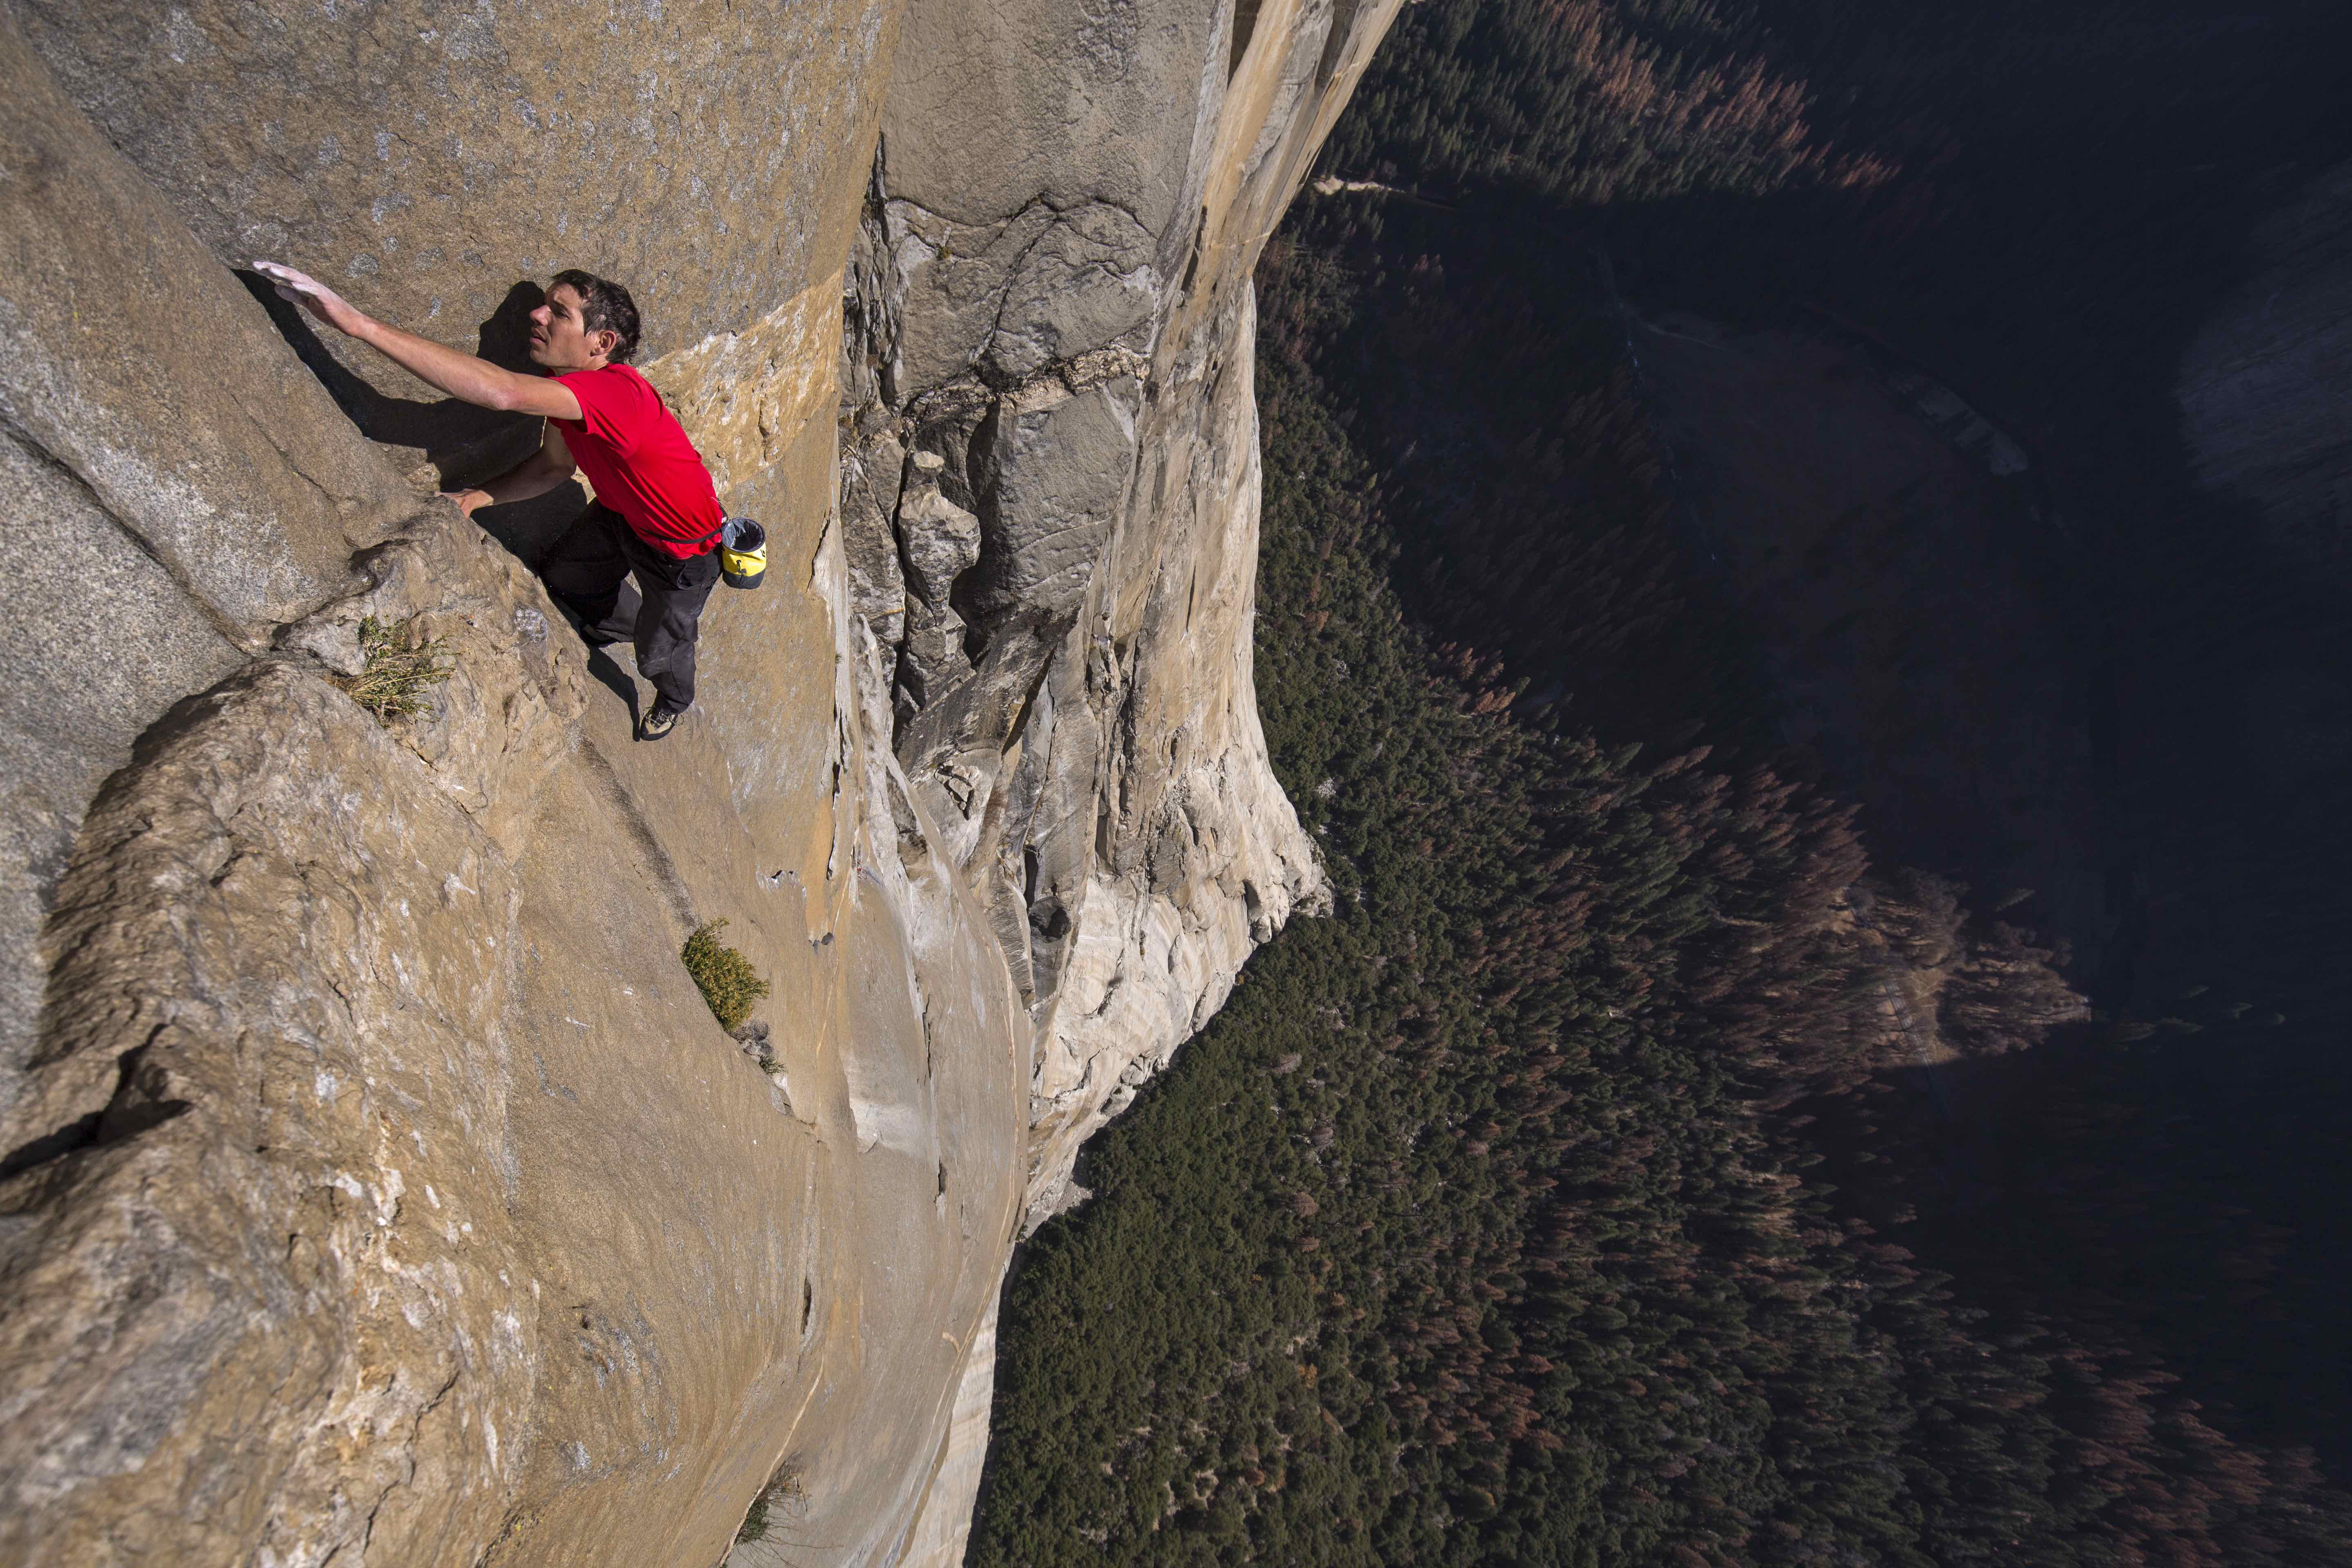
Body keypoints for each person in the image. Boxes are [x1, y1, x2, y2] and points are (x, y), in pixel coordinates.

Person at [254, 261, 724, 740]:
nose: (538, 315)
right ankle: (628, 624)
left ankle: (673, 696)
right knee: (567, 577)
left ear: (601, 344)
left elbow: (500, 393)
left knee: (659, 653)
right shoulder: (567, 390)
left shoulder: (616, 393)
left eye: (558, 313)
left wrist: (358, 325)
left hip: (681, 549)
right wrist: (478, 496)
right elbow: (554, 467)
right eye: (544, 303)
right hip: (619, 511)